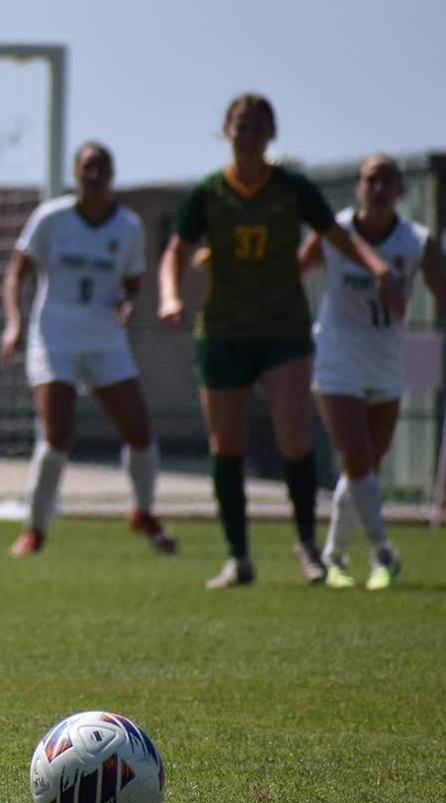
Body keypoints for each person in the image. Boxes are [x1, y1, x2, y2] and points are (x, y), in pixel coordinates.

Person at [158, 93, 409, 589]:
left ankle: (308, 547)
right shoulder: (209, 192)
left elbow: (337, 234)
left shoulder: (291, 188)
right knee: (224, 445)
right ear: (226, 132)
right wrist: (169, 295)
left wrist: (379, 267)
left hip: (283, 331)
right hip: (225, 331)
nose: (247, 135)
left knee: (293, 437)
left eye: (257, 127)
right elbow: (176, 249)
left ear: (271, 134)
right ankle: (238, 557)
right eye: (239, 126)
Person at [299, 153, 446, 590]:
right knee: (357, 456)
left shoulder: (415, 239)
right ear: (358, 188)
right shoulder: (335, 233)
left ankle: (334, 555)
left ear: (400, 188)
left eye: (387, 180)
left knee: (364, 468)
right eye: (370, 179)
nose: (378, 187)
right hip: (336, 355)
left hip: (386, 360)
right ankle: (383, 553)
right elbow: (294, 270)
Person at [0, 141, 173, 557]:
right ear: (75, 173)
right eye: (86, 168)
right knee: (57, 436)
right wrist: (14, 323)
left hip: (104, 341)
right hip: (54, 339)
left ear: (113, 175)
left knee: (140, 431)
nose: (94, 176)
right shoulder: (51, 218)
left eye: (102, 168)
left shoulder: (128, 226)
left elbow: (132, 281)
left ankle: (143, 511)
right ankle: (35, 529)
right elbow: (15, 274)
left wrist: (128, 302)